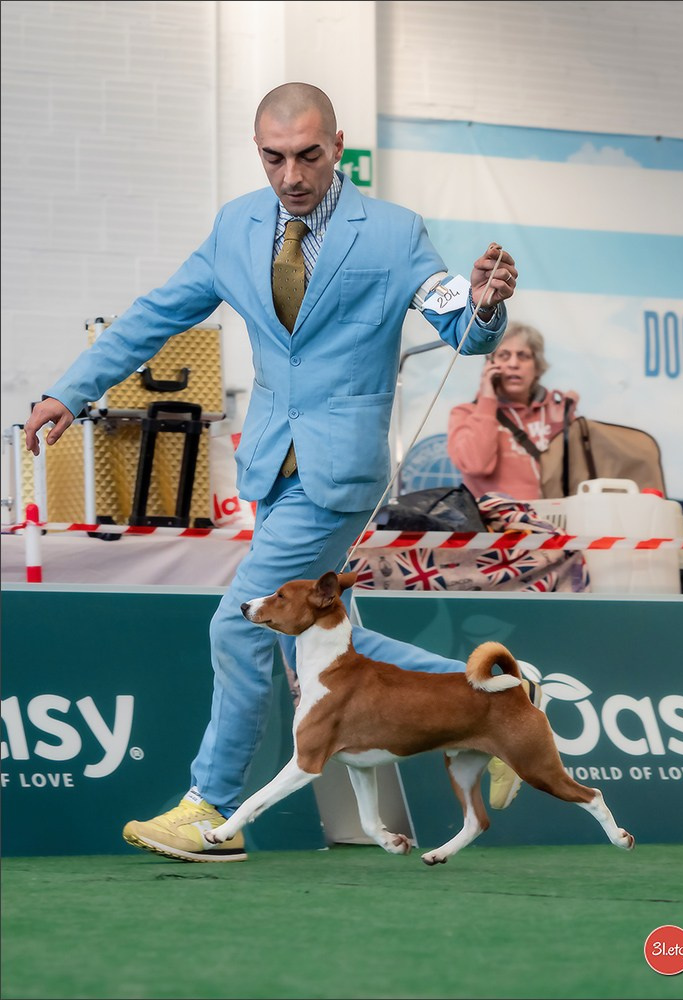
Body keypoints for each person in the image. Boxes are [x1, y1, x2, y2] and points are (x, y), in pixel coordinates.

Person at [24, 83, 525, 862]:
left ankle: (211, 809)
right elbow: (158, 313)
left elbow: (460, 329)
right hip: (270, 461)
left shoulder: (392, 234)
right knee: (324, 643)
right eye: (273, 157)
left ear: (337, 144)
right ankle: (498, 700)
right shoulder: (237, 226)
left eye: (307, 156)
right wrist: (69, 389)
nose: (290, 175)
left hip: (341, 470)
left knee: (239, 621)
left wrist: (486, 307)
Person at [447, 321, 579, 501]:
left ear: (537, 366)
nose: (514, 364)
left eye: (523, 356)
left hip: (553, 523)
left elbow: (574, 476)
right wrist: (487, 400)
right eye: (504, 355)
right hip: (494, 526)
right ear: (489, 365)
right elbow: (476, 466)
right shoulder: (465, 413)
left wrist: (563, 424)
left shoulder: (554, 412)